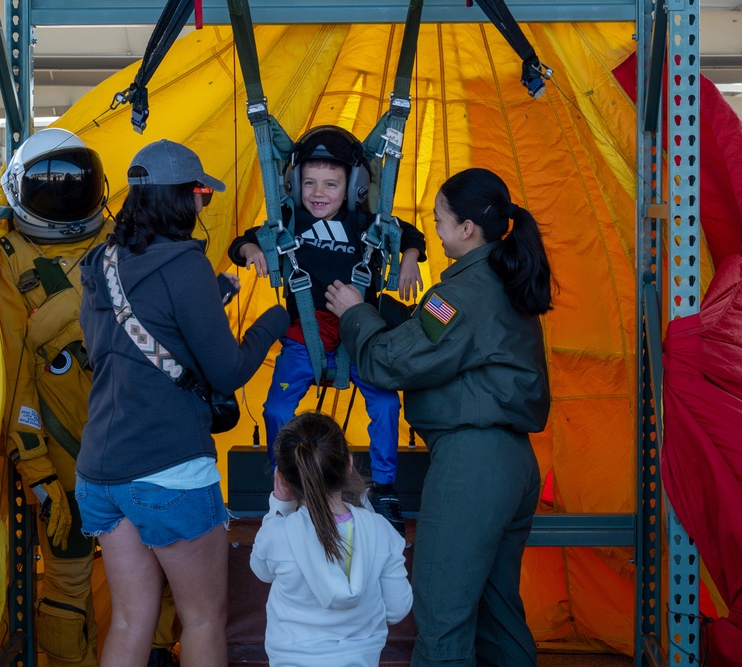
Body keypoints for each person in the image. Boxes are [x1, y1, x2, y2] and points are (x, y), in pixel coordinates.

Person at [325, 167, 553, 666]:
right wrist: (392, 314)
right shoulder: (503, 279)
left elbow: (391, 363)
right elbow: (450, 347)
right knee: (497, 616)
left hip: (472, 464)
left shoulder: (454, 296)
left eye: (441, 220)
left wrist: (354, 313)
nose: (436, 230)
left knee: (443, 618)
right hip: (513, 462)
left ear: (468, 228)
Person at [75, 139, 290, 667]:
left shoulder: (100, 261)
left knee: (130, 618)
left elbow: (117, 345)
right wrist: (274, 323)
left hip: (101, 471)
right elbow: (230, 370)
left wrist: (204, 302)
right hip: (167, 468)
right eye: (202, 194)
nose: (204, 205)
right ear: (182, 198)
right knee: (201, 619)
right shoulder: (183, 265)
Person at [0, 127, 182, 667]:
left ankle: (154, 654)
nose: (64, 196)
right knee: (69, 566)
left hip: (134, 433)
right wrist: (39, 471)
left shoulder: (125, 243)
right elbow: (15, 381)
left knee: (160, 558)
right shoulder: (12, 261)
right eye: (50, 187)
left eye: (74, 186)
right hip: (66, 439)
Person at [227, 125, 426, 537]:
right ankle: (285, 484)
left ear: (353, 187)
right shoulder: (290, 220)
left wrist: (409, 258)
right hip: (305, 336)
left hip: (359, 339)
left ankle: (384, 487)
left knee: (387, 406)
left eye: (331, 184)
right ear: (294, 185)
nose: (319, 193)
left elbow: (409, 233)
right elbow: (245, 241)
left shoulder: (365, 222)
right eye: (309, 183)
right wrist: (250, 253)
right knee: (276, 411)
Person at [250, 412, 413, 666]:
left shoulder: (277, 532)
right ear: (348, 464)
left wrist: (278, 509)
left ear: (282, 478)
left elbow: (261, 571)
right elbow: (397, 608)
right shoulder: (381, 531)